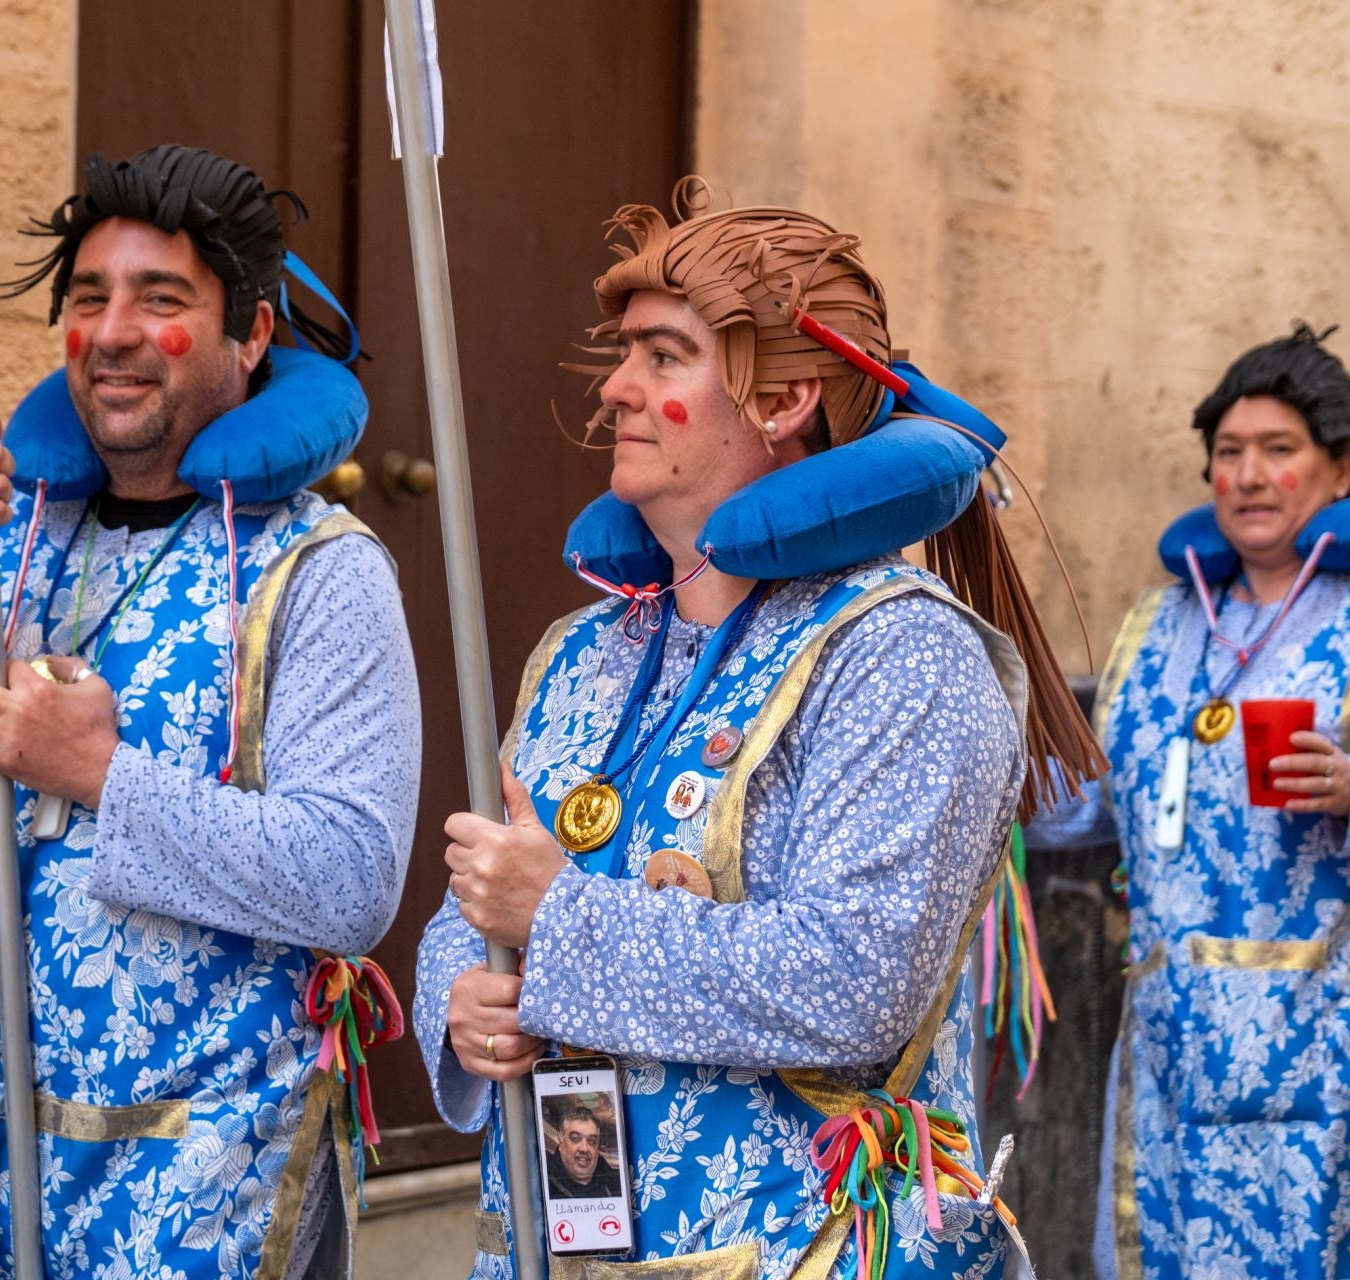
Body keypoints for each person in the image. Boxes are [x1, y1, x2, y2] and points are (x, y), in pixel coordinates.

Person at [416, 181, 1097, 1278]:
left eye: (663, 357)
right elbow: (485, 895)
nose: (615, 388)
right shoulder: (581, 647)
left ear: (782, 403)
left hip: (803, 1251)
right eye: (622, 352)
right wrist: (465, 994)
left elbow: (856, 980)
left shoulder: (903, 655)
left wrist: (563, 922)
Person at [0, 145, 420, 1279]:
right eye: (88, 298)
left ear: (253, 334)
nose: (113, 331)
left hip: (193, 1184)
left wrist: (102, 776)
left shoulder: (322, 571)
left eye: (161, 300)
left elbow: (350, 877)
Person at [1026, 323, 1350, 1280]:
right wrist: (986, 786)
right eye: (1228, 453)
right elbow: (1094, 800)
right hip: (1174, 1035)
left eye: (1278, 451)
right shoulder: (1159, 622)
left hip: (1338, 1035)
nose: (1248, 475)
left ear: (1338, 469)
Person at [546, 1106, 622, 1200]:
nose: (584, 1148)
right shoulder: (543, 1182)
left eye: (591, 1141)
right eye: (575, 1139)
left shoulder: (616, 1183)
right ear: (561, 1140)